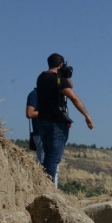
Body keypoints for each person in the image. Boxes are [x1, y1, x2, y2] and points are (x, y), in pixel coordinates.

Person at [36, 53, 94, 187]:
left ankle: (43, 185)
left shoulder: (41, 77)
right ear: (61, 65)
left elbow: (69, 85)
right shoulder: (57, 79)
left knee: (48, 156)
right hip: (56, 122)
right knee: (53, 157)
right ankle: (48, 188)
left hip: (42, 121)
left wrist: (64, 75)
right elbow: (73, 97)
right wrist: (87, 115)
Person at [26, 88, 45, 165]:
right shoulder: (35, 94)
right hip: (40, 134)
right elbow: (29, 113)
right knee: (43, 164)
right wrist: (49, 113)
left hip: (51, 134)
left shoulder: (50, 95)